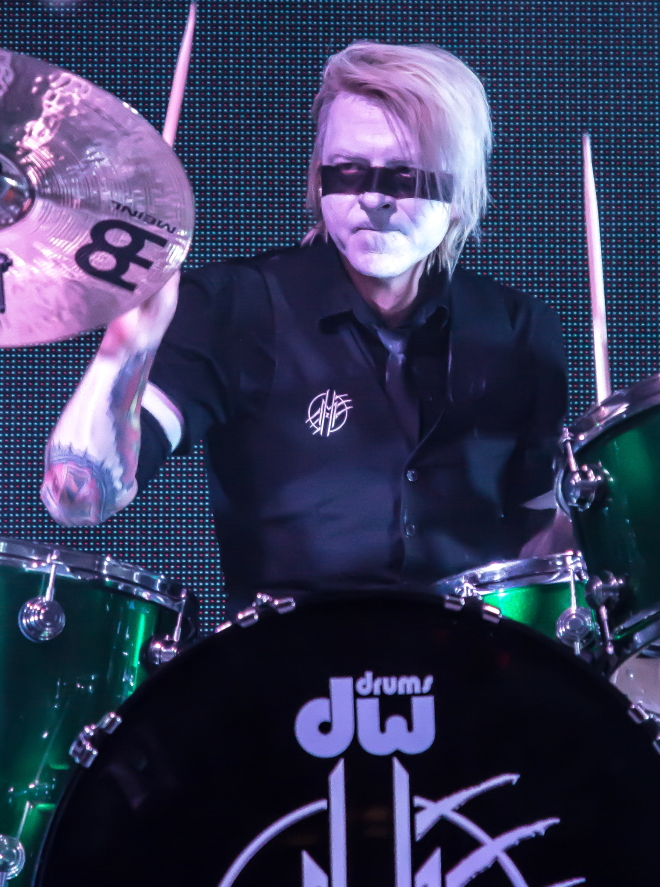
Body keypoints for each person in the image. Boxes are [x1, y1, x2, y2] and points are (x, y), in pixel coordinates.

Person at [41, 42, 568, 616]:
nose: (373, 197)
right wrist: (125, 346)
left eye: (403, 174)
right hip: (286, 658)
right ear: (318, 180)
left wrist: (610, 511)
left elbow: (539, 548)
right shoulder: (233, 309)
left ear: (460, 195)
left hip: (468, 656)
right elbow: (81, 501)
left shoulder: (518, 330)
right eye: (348, 170)